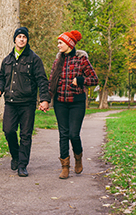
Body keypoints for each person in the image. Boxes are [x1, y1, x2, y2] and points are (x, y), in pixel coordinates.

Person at [0, 26, 50, 177]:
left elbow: (42, 81)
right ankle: (16, 156)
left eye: (24, 37)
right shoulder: (7, 60)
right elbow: (2, 79)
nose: (22, 39)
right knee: (8, 130)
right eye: (19, 37)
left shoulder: (34, 59)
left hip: (27, 103)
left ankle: (22, 165)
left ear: (27, 40)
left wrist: (44, 99)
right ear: (15, 40)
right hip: (11, 102)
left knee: (26, 135)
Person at [48, 30, 98, 179]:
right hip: (60, 103)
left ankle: (78, 157)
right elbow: (51, 82)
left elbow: (94, 80)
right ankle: (64, 167)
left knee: (73, 134)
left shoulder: (81, 60)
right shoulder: (58, 61)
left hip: (77, 102)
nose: (58, 45)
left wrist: (81, 80)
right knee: (63, 134)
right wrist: (45, 99)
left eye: (60, 43)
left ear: (69, 44)